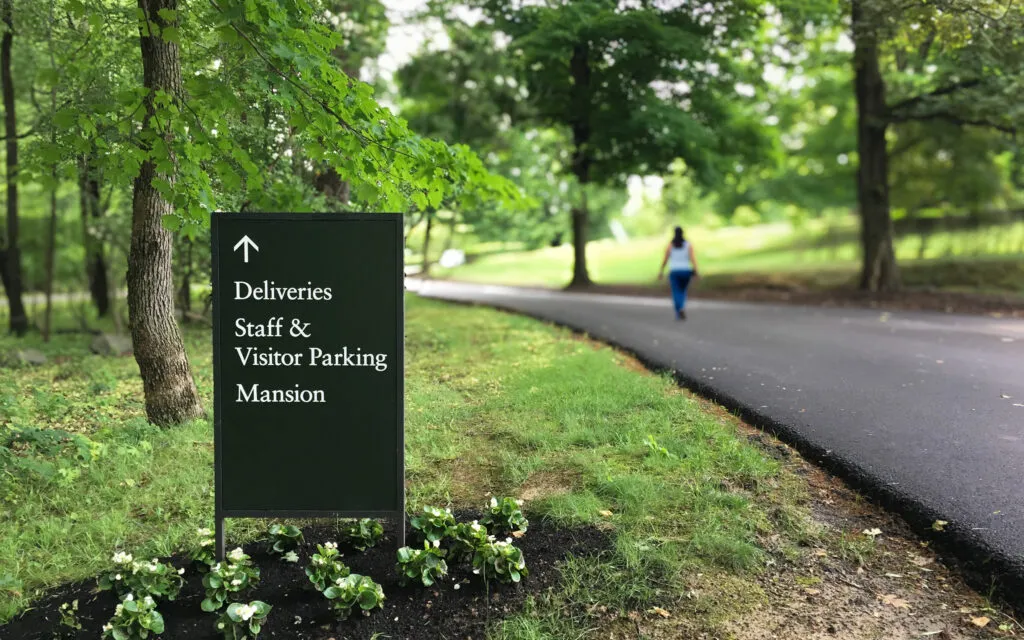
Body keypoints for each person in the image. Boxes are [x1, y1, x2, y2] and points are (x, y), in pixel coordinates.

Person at [657, 226, 699, 320]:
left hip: (674, 271)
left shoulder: (670, 245)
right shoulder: (688, 245)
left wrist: (661, 271)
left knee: (676, 291)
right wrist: (696, 270)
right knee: (683, 291)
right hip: (686, 271)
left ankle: (679, 309)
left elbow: (665, 259)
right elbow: (693, 259)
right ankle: (682, 307)